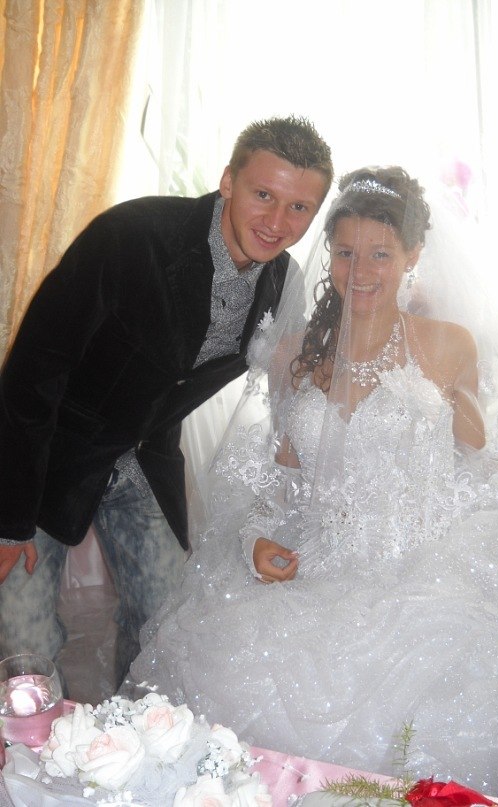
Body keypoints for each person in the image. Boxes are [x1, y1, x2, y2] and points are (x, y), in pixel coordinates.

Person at [129, 167, 498, 806]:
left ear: (413, 255)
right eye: (346, 252)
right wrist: (256, 538)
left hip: (425, 568)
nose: (360, 271)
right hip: (320, 563)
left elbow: (483, 460)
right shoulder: (293, 353)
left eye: (380, 254)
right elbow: (280, 480)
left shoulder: (448, 346)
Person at [0, 115, 333, 688]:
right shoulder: (131, 235)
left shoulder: (285, 284)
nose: (277, 223)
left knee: (165, 626)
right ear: (227, 181)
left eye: (299, 207)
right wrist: (9, 519)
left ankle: (141, 735)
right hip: (44, 456)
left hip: (145, 458)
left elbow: (293, 389)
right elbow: (32, 374)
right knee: (23, 644)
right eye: (263, 195)